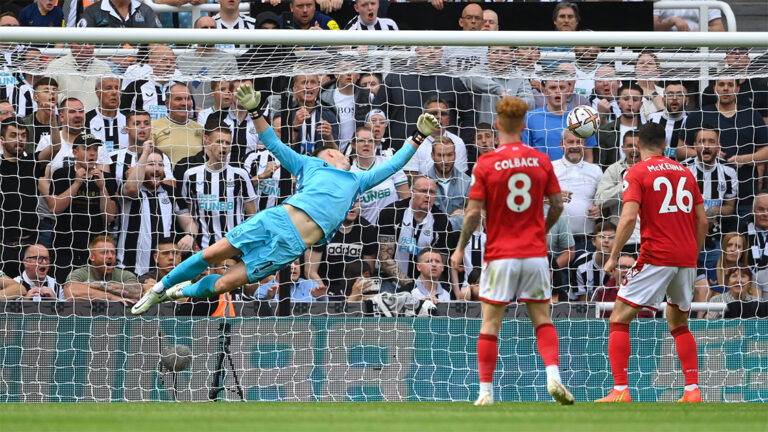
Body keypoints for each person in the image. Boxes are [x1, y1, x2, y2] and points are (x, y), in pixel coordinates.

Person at [131, 85, 439, 314]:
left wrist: (418, 136)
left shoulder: (357, 180)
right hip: (275, 220)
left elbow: (394, 164)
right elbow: (273, 143)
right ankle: (158, 289)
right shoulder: (308, 164)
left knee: (225, 284)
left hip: (289, 247)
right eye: (337, 152)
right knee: (213, 254)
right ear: (330, 155)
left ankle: (175, 292)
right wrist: (256, 112)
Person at [450, 96, 572, 406]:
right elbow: (557, 205)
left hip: (500, 254)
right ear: (524, 125)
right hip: (534, 254)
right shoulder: (541, 160)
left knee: (490, 323)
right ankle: (553, 376)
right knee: (543, 320)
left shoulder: (487, 163)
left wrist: (460, 248)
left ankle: (485, 392)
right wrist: (541, 232)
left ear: (496, 125)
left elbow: (474, 214)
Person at [597, 122, 707, 403]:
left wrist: (612, 256)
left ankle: (620, 390)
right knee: (679, 323)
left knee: (619, 318)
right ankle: (692, 390)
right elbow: (702, 220)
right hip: (686, 257)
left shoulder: (636, 171)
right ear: (664, 143)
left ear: (638, 146)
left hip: (656, 255)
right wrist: (692, 255)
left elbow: (629, 217)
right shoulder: (685, 172)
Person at [678, 78, 768, 216]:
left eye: (730, 84)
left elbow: (766, 151)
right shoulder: (699, 115)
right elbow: (680, 150)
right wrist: (707, 153)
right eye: (721, 84)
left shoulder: (752, 115)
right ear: (715, 89)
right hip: (706, 198)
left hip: (745, 194)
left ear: (737, 89)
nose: (725, 88)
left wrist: (744, 159)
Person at [373, 45, 475, 150]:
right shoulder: (395, 78)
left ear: (442, 52)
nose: (432, 51)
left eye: (437, 48)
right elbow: (378, 112)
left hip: (441, 154)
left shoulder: (453, 81)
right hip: (399, 151)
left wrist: (463, 144)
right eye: (426, 47)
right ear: (416, 51)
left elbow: (468, 116)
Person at [119, 143, 198, 276]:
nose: (157, 169)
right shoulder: (130, 190)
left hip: (163, 271)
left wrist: (190, 236)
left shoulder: (171, 193)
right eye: (151, 164)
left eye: (160, 165)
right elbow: (132, 188)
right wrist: (144, 153)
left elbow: (189, 223)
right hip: (130, 269)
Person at [47, 134, 117, 282]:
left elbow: (110, 217)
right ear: (75, 153)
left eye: (95, 149)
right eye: (86, 149)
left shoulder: (106, 179)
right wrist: (76, 184)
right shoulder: (62, 174)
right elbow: (54, 209)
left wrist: (102, 189)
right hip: (65, 247)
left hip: (95, 251)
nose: (92, 153)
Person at [683, 126, 738, 304]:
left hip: (714, 243)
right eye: (701, 142)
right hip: (685, 241)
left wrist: (714, 211)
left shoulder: (729, 173)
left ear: (718, 146)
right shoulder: (683, 171)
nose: (706, 146)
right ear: (694, 146)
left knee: (713, 290)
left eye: (711, 142)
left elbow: (730, 207)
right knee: (684, 289)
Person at [377, 176, 453, 292]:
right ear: (412, 192)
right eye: (423, 191)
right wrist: (411, 286)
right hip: (392, 282)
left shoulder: (441, 222)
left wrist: (421, 289)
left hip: (427, 284)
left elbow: (439, 264)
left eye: (432, 192)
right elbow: (385, 258)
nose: (428, 196)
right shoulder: (391, 213)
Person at [305, 201, 378, 300]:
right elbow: (310, 271)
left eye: (356, 201)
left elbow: (368, 271)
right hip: (325, 288)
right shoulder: (323, 228)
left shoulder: (367, 229)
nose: (352, 206)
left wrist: (355, 295)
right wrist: (325, 296)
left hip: (355, 289)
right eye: (349, 201)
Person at [0, 119, 39, 278]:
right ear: (2, 140)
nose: (20, 139)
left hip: (30, 246)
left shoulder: (31, 163)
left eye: (23, 135)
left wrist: (53, 116)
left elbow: (55, 148)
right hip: (4, 247)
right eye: (14, 135)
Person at [552, 130, 602, 253]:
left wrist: (600, 209)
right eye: (570, 142)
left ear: (584, 144)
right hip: (558, 242)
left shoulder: (595, 170)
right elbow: (537, 199)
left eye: (579, 142)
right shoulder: (550, 168)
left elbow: (604, 203)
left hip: (587, 241)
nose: (575, 146)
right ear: (561, 144)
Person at [523, 80, 597, 162]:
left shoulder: (582, 118)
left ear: (568, 91)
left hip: (574, 173)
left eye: (562, 87)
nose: (557, 91)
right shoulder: (530, 118)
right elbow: (525, 154)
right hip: (542, 173)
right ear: (545, 91)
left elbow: (588, 157)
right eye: (553, 88)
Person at [350, 126, 409, 224]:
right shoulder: (350, 173)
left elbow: (406, 198)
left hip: (394, 226)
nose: (366, 144)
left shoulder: (390, 164)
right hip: (365, 231)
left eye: (370, 141)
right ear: (353, 144)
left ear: (376, 144)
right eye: (361, 141)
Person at [594, 131, 642, 251]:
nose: (635, 149)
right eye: (630, 145)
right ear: (623, 148)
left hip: (648, 238)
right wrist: (626, 185)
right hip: (621, 239)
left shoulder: (653, 169)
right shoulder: (614, 170)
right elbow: (599, 200)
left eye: (638, 145)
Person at [463, 45, 535, 125]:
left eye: (504, 53)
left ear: (512, 56)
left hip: (509, 130)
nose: (500, 56)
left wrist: (511, 104)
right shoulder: (477, 72)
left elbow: (529, 103)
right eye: (495, 52)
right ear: (488, 56)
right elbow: (471, 79)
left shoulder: (520, 79)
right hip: (483, 133)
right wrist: (500, 91)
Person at [177, 16, 238, 108]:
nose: (209, 31)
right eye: (205, 28)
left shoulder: (228, 59)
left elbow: (233, 93)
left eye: (213, 28)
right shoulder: (182, 60)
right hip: (189, 116)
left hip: (219, 116)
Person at [63, 235, 142, 305]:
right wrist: (111, 297)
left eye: (113, 253)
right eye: (105, 253)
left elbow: (137, 292)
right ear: (92, 257)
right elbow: (71, 291)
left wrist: (97, 285)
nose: (110, 256)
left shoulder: (125, 275)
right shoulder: (80, 273)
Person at [402, 98, 469, 176]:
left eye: (443, 114)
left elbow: (460, 177)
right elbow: (410, 179)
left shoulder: (458, 142)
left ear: (448, 120)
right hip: (423, 187)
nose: (438, 117)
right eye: (434, 113)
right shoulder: (412, 141)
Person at [45, 43, 113, 112]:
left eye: (91, 43)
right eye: (81, 43)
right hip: (66, 120)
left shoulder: (104, 67)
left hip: (97, 121)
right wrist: (67, 104)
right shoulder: (55, 66)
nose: (87, 46)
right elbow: (46, 93)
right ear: (71, 45)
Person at [319, 68, 372, 153]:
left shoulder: (367, 98)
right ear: (336, 74)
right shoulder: (323, 98)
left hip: (356, 153)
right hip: (330, 151)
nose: (349, 73)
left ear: (358, 75)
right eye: (344, 69)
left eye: (352, 70)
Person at [151, 82, 204, 165]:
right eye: (178, 99)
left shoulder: (200, 129)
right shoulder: (153, 126)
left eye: (187, 99)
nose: (184, 103)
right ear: (167, 104)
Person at [596, 83, 645, 169]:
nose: (630, 103)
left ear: (641, 104)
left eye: (635, 99)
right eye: (626, 99)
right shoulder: (604, 131)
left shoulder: (648, 132)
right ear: (618, 102)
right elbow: (600, 166)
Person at [427, 136, 471, 230]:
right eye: (441, 155)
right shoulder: (422, 183)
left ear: (455, 155)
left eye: (449, 155)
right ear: (432, 156)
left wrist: (466, 213)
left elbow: (478, 212)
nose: (445, 160)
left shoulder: (467, 182)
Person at [591, 254, 654, 319]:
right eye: (622, 267)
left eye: (631, 268)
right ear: (614, 270)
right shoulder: (601, 291)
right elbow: (591, 320)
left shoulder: (645, 293)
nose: (627, 270)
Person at [571, 222, 615, 302]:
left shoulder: (622, 265)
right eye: (602, 237)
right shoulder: (581, 265)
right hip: (589, 311)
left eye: (611, 237)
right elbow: (583, 302)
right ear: (593, 241)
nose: (606, 240)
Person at [647, 81, 688, 159]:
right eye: (670, 94)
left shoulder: (692, 121)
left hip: (681, 170)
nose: (674, 98)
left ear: (687, 100)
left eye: (679, 95)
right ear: (663, 100)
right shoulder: (652, 119)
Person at [84, 77, 126, 153]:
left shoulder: (129, 119)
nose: (114, 92)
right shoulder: (86, 119)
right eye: (109, 88)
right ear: (98, 91)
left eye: (117, 88)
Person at [254, 259, 327, 302]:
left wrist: (321, 298)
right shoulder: (264, 290)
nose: (293, 267)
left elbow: (325, 312)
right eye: (289, 263)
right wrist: (268, 298)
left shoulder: (311, 285)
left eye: (297, 263)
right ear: (277, 268)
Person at [442, 4, 487, 73]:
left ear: (483, 23)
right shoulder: (448, 46)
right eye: (469, 18)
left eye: (477, 18)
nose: (473, 21)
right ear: (461, 22)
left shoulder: (489, 48)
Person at [744, 193, 768, 299]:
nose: (765, 214)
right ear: (752, 210)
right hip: (745, 287)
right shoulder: (741, 232)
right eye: (761, 209)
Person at [79, 0, 161, 27]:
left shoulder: (145, 11)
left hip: (140, 64)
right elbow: (81, 46)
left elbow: (159, 43)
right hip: (104, 65)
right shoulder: (92, 11)